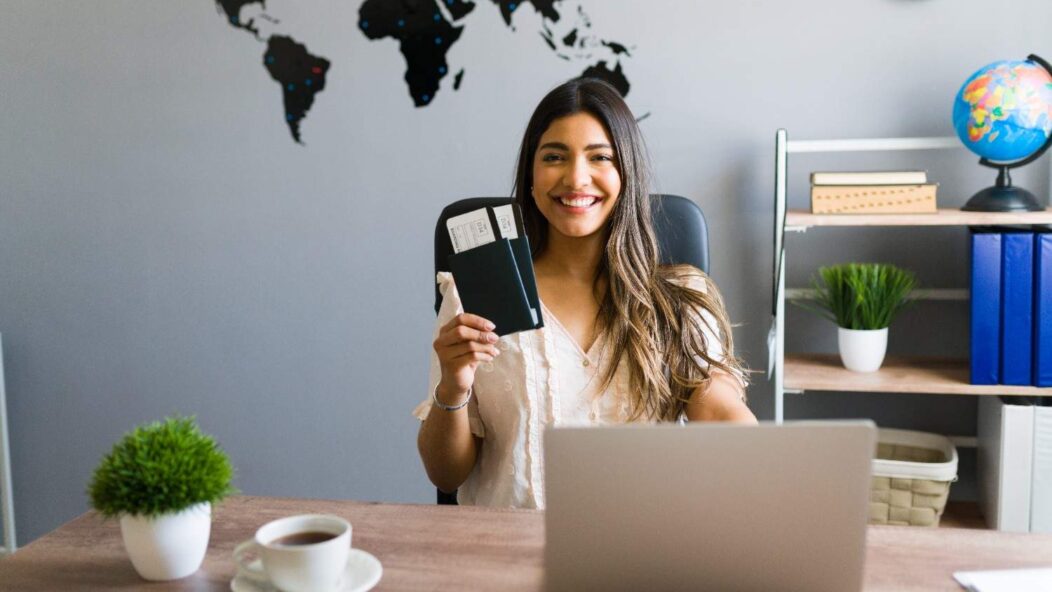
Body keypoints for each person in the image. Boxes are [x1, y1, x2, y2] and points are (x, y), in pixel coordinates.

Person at [414, 78, 757, 508]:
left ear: (626, 174)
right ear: (532, 177)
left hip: (644, 552)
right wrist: (454, 385)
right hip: (505, 555)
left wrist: (766, 463)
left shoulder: (679, 298)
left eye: (600, 158)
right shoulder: (473, 298)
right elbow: (446, 474)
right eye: (554, 157)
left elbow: (720, 409)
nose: (576, 178)